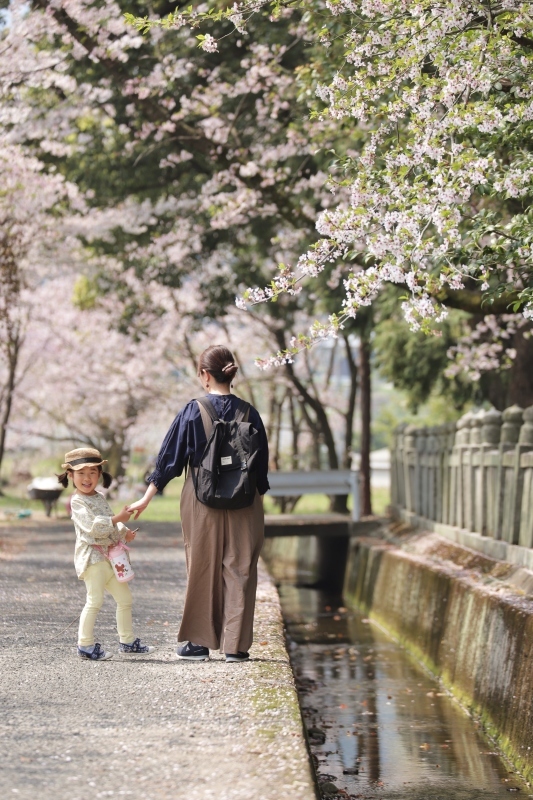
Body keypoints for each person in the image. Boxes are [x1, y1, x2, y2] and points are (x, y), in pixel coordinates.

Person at [127, 345, 269, 663]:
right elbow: (262, 470)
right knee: (241, 569)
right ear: (230, 374)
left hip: (201, 502)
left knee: (202, 567)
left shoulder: (193, 411)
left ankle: (199, 643)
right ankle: (235, 646)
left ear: (204, 375)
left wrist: (147, 497)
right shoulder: (251, 413)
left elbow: (169, 460)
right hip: (246, 503)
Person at [58, 447, 155, 661]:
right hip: (93, 559)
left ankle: (127, 641)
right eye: (81, 473)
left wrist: (124, 531)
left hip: (111, 558)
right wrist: (116, 520)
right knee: (94, 600)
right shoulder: (77, 502)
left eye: (92, 472)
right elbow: (93, 527)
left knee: (125, 598)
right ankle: (84, 645)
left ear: (100, 475)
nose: (87, 478)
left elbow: (112, 520)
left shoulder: (99, 497)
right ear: (70, 476)